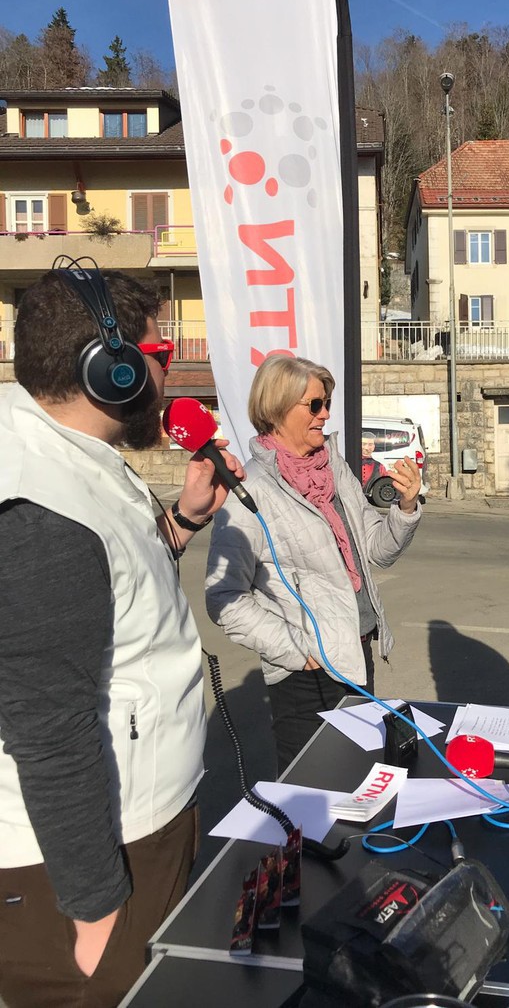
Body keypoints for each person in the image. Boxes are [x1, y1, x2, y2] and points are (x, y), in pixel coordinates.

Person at [0, 269, 245, 1008]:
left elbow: (107, 592)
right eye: (158, 352)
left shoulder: (67, 461)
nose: (167, 371)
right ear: (109, 370)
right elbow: (47, 725)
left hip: (133, 820)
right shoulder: (38, 506)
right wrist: (95, 905)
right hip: (80, 865)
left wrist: (184, 520)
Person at [205, 355, 422, 773]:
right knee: (311, 787)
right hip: (305, 674)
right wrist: (296, 649)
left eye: (326, 403)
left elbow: (377, 550)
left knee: (359, 775)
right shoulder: (250, 490)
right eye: (314, 405)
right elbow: (224, 596)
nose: (325, 415)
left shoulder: (334, 469)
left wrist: (407, 506)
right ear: (276, 409)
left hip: (356, 651)